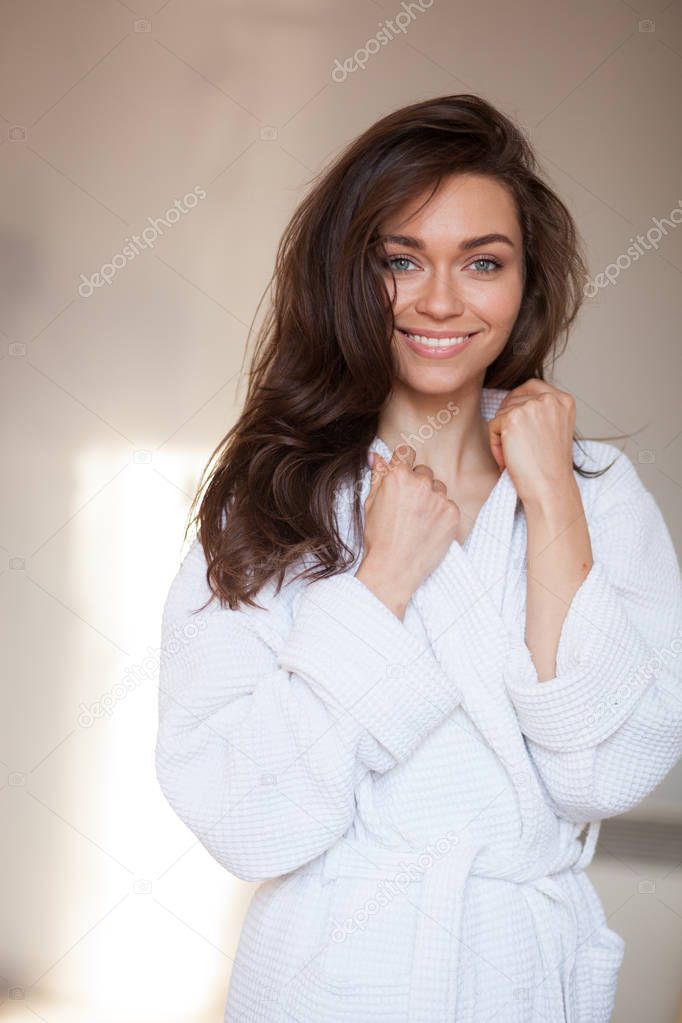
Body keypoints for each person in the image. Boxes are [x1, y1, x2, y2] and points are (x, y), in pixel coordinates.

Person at [154, 94, 682, 1023]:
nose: (443, 300)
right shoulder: (274, 497)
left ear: (526, 284)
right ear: (348, 277)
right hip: (332, 981)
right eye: (402, 260)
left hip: (521, 979)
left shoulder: (598, 489)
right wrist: (379, 585)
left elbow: (606, 773)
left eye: (483, 262)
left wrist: (553, 497)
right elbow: (245, 817)